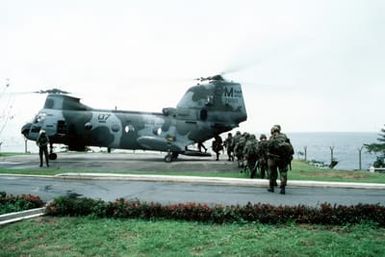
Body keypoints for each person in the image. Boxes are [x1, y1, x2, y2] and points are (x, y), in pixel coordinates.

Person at [267, 126, 294, 194]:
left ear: (272, 131)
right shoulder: (284, 137)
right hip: (283, 159)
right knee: (283, 173)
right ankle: (283, 188)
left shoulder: (271, 138)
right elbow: (291, 149)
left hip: (273, 159)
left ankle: (271, 187)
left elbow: (268, 148)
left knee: (272, 173)